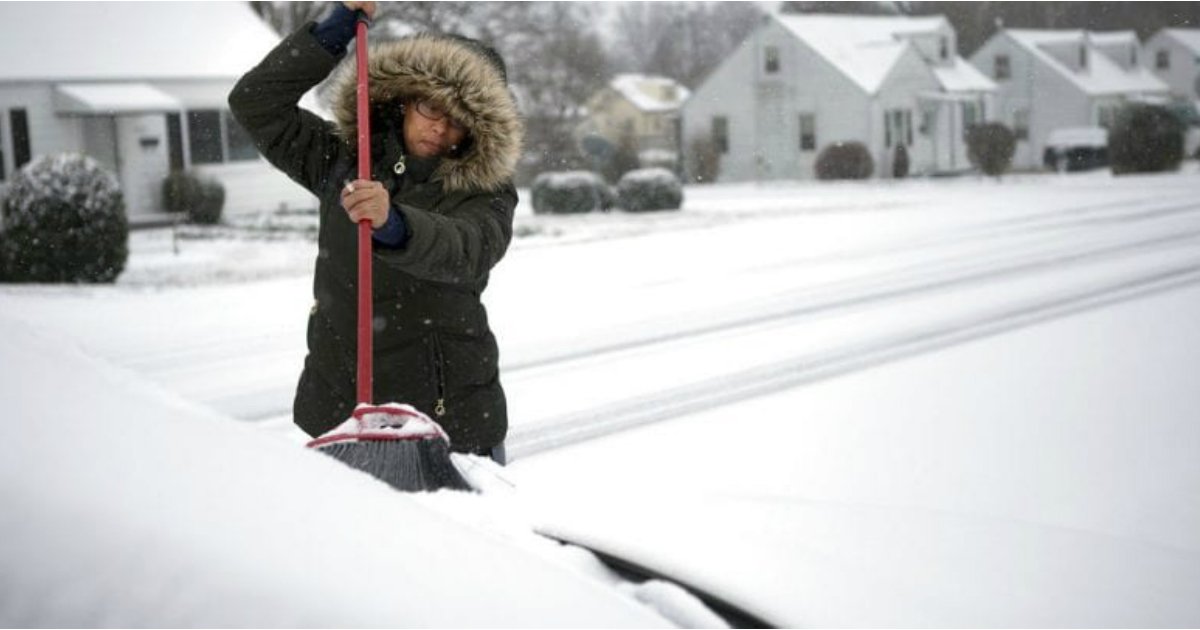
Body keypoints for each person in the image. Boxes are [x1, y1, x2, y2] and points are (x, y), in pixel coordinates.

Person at [229, 1, 523, 463]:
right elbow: (256, 103)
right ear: (406, 98)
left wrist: (395, 225)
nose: (440, 126)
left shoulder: (486, 191)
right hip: (340, 410)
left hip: (448, 424)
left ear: (477, 129)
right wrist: (337, 25)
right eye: (431, 106)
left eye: (459, 118)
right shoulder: (344, 158)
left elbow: (465, 249)